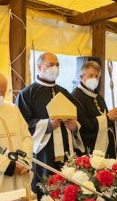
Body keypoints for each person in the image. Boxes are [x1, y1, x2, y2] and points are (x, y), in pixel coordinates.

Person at [16, 52, 84, 192]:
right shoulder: (27, 94)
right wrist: (47, 125)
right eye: (51, 64)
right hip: (44, 152)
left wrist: (74, 126)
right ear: (40, 66)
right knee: (46, 189)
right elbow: (21, 125)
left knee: (67, 189)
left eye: (57, 65)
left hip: (66, 150)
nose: (55, 68)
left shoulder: (64, 92)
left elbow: (76, 118)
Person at [71, 60, 117, 158]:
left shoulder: (98, 97)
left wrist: (113, 117)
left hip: (106, 147)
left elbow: (107, 119)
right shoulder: (76, 97)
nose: (94, 79)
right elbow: (84, 127)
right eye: (91, 75)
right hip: (89, 150)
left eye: (97, 76)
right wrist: (107, 118)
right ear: (81, 77)